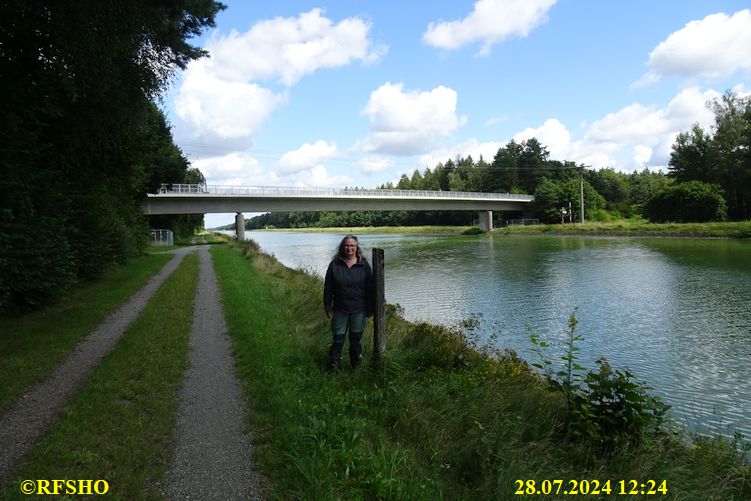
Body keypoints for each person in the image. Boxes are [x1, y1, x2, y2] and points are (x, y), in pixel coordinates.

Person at [323, 235, 373, 371]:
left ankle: (356, 366)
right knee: (338, 338)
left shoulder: (364, 265)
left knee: (355, 340)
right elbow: (328, 287)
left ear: (357, 248)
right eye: (347, 245)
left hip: (359, 309)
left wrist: (370, 308)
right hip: (340, 308)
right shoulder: (334, 265)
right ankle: (334, 365)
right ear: (342, 247)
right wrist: (328, 305)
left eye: (352, 246)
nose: (349, 248)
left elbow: (370, 289)